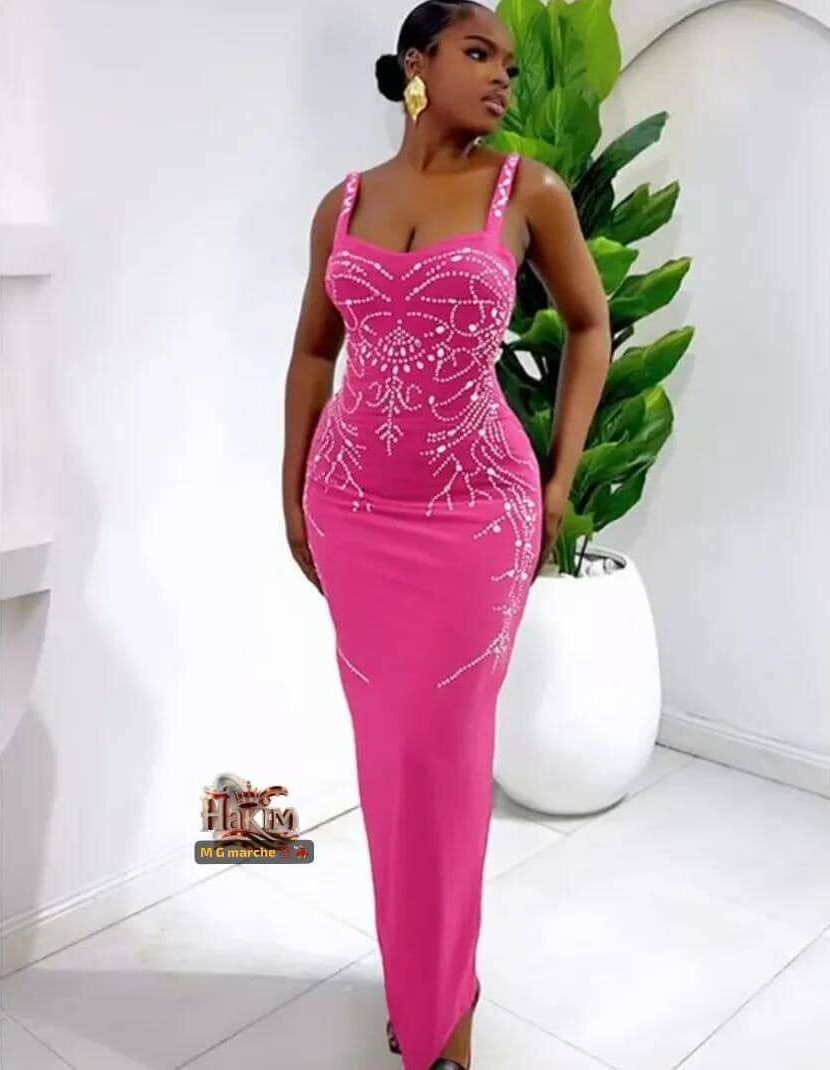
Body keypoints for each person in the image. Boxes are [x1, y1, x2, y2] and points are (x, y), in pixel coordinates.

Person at [282, 2, 610, 1067]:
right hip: (354, 510)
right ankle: (418, 979)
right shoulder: (343, 202)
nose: (503, 76)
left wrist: (558, 477)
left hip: (476, 516)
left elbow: (590, 323)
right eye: (479, 53)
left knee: (446, 758)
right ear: (415, 64)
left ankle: (446, 1015)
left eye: (509, 62)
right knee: (390, 761)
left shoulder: (529, 190)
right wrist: (291, 490)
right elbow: (313, 352)